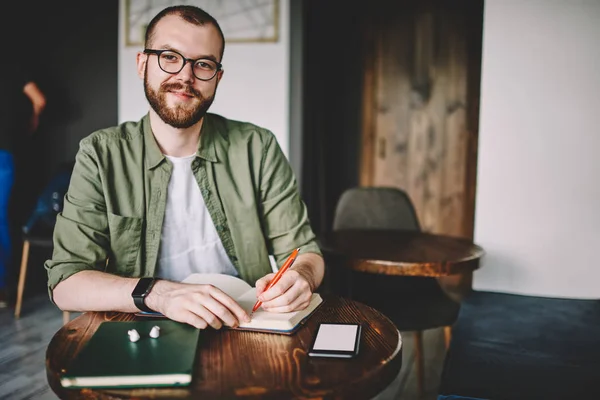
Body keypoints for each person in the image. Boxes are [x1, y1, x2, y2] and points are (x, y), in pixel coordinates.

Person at [44, 5, 324, 329]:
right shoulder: (100, 154)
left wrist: (301, 276)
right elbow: (66, 284)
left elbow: (306, 252)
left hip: (241, 326)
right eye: (169, 57)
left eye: (203, 64)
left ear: (217, 77)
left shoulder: (257, 147)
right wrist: (160, 294)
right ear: (142, 64)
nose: (185, 76)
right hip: (142, 327)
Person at [0, 61, 46, 308]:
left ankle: (3, 287)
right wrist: (31, 123)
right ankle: (3, 289)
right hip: (5, 150)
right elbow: (39, 100)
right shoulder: (13, 66)